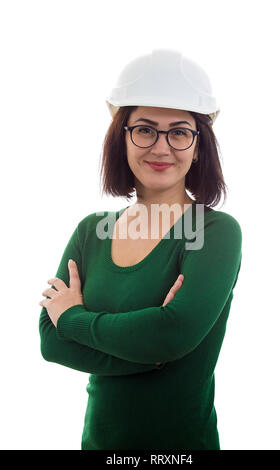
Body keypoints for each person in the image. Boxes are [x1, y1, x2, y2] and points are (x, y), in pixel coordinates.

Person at [39, 48, 242, 450]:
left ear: (199, 145)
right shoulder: (91, 231)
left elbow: (172, 333)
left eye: (180, 131)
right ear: (123, 138)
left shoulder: (216, 231)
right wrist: (148, 351)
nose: (162, 147)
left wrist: (75, 318)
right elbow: (49, 339)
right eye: (145, 129)